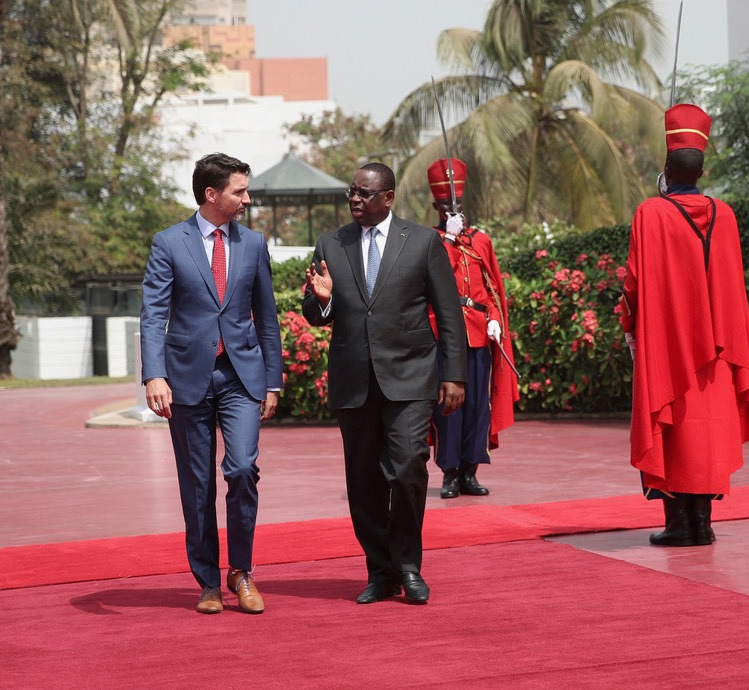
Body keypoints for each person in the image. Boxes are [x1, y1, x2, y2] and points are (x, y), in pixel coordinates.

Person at [302, 162, 467, 605]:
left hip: (411, 378)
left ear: (388, 197)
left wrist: (454, 375)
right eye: (350, 193)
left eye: (364, 193)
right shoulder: (330, 243)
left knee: (409, 466)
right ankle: (380, 571)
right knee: (363, 480)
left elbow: (449, 314)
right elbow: (318, 315)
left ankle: (409, 565)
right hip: (354, 381)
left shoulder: (423, 242)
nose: (355, 199)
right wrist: (322, 300)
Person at [620, 103, 749, 546]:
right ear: (700, 170)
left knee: (675, 429)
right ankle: (702, 524)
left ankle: (677, 525)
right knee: (708, 431)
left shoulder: (651, 213)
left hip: (670, 345)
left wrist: (629, 322)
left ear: (667, 167)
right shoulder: (726, 215)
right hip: (721, 347)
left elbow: (633, 282)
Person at [140, 153, 282, 614]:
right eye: (239, 191)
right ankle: (207, 582)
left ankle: (242, 572)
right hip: (185, 380)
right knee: (196, 483)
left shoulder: (254, 245)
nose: (246, 198)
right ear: (211, 194)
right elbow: (154, 314)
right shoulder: (168, 243)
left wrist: (273, 382)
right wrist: (154, 374)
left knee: (242, 469)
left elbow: (267, 318)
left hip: (242, 376)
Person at [424, 158, 519, 498]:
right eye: (447, 204)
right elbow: (433, 281)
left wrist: (494, 317)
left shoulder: (481, 240)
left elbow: (490, 287)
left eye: (458, 204)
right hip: (445, 335)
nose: (454, 209)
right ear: (436, 205)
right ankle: (449, 473)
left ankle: (470, 471)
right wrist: (449, 240)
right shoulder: (431, 242)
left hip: (479, 332)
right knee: (449, 406)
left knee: (478, 405)